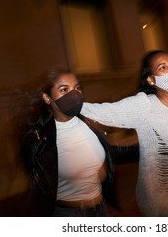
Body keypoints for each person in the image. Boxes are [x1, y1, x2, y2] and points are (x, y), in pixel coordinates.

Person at [80, 50, 168, 216]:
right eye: (163, 67)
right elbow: (105, 112)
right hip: (157, 196)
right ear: (151, 80)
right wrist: (70, 104)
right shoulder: (144, 105)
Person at [10, 66, 137, 217]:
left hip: (100, 210)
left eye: (77, 88)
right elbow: (38, 181)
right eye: (64, 89)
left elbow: (111, 152)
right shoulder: (40, 139)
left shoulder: (88, 123)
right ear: (47, 97)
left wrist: (150, 148)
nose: (74, 94)